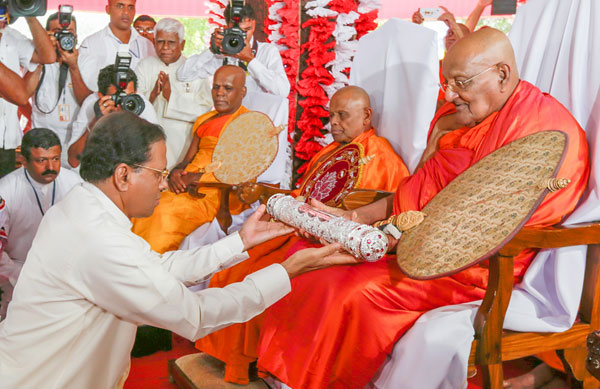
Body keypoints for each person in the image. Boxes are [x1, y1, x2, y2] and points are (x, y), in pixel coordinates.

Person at [255, 28, 590, 388]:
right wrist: (355, 218)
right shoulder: (460, 117)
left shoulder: (542, 132)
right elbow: (416, 192)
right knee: (309, 266)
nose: (449, 95)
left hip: (473, 265)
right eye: (447, 82)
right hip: (414, 239)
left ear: (502, 74)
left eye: (460, 83)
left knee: (348, 290)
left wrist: (389, 237)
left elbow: (491, 227)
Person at [0, 112, 355, 387]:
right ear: (124, 176)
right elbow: (194, 316)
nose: (164, 182)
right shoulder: (96, 236)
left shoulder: (84, 207)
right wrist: (289, 270)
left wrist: (240, 242)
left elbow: (157, 268)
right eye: (158, 172)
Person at [195, 85, 410, 385]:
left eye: (342, 115)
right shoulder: (329, 152)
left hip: (325, 240)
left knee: (261, 275)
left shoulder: (382, 158)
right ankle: (236, 359)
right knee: (237, 265)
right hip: (298, 228)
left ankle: (265, 364)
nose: (333, 122)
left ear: (366, 116)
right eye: (331, 115)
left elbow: (369, 212)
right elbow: (301, 194)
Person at [132, 65, 258, 253]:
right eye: (216, 87)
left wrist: (195, 179)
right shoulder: (205, 120)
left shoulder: (251, 124)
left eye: (228, 88)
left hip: (216, 194)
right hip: (186, 186)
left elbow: (243, 175)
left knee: (163, 212)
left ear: (243, 91)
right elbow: (186, 160)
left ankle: (153, 269)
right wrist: (176, 174)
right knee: (142, 203)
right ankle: (131, 264)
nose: (220, 94)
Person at [0, 128, 81, 320]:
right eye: (41, 160)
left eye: (55, 158)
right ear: (24, 161)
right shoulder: (6, 189)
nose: (51, 166)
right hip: (19, 273)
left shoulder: (75, 184)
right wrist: (19, 276)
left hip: (64, 273)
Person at [135, 18, 212, 169]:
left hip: (182, 148)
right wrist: (152, 96)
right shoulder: (144, 66)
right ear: (154, 42)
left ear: (182, 44)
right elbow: (133, 108)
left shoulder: (195, 70)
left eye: (171, 42)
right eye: (160, 41)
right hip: (148, 146)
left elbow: (204, 112)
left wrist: (171, 96)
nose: (165, 47)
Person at [177, 3, 290, 98]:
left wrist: (251, 60)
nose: (243, 36)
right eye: (237, 31)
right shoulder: (222, 54)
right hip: (228, 119)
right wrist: (211, 50)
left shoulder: (267, 51)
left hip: (257, 117)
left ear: (254, 24)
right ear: (226, 27)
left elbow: (282, 91)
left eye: (247, 30)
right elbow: (183, 75)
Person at [0, 6, 56, 176]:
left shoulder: (12, 36)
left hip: (6, 144)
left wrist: (29, 13)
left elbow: (48, 56)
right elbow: (21, 96)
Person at [27, 12, 89, 168]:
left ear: (76, 37)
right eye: (57, 33)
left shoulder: (86, 61)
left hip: (73, 147)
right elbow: (22, 95)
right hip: (42, 146)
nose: (64, 37)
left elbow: (88, 102)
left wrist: (73, 66)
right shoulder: (36, 60)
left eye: (69, 33)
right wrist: (43, 53)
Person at [67, 63, 158, 168]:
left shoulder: (141, 105)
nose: (124, 103)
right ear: (100, 95)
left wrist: (131, 121)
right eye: (118, 97)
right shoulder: (91, 104)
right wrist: (96, 122)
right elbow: (73, 160)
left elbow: (154, 156)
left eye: (129, 97)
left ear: (136, 92)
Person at [77, 0, 155, 93]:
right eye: (120, 6)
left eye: (130, 7)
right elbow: (86, 88)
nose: (126, 12)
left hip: (139, 105)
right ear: (108, 9)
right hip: (103, 104)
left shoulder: (147, 45)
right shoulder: (91, 44)